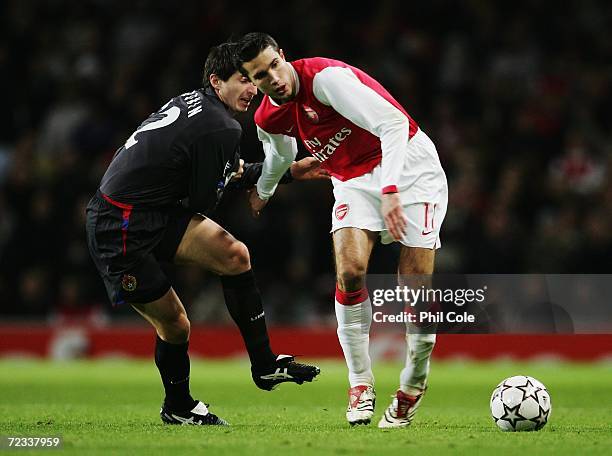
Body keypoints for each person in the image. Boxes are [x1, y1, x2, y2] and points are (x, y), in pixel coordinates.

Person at [85, 43, 323, 426]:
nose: (252, 89)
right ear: (216, 81)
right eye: (242, 80)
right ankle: (178, 406)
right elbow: (204, 200)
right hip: (120, 227)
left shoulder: (198, 106)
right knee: (176, 324)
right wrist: (258, 179)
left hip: (152, 210)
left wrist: (286, 173)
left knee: (235, 255)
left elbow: (221, 174)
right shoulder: (221, 126)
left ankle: (264, 365)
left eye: (254, 79)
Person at [237, 33, 448, 428]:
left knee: (414, 286)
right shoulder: (267, 116)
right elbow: (281, 155)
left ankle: (413, 385)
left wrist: (390, 190)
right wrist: (264, 191)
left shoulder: (325, 80)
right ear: (252, 82)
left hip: (410, 167)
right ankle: (359, 385)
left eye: (274, 66)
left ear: (284, 56)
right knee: (349, 272)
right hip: (352, 180)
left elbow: (393, 124)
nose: (274, 79)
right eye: (260, 76)